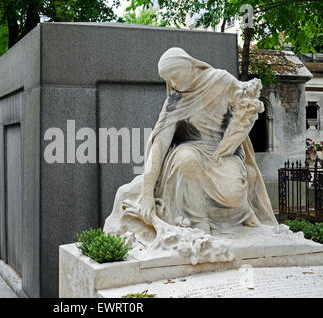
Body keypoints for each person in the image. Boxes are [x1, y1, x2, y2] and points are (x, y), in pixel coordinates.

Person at [104, 47, 278, 237]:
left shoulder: (222, 80)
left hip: (222, 152)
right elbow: (160, 144)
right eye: (168, 79)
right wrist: (147, 192)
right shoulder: (176, 99)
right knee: (186, 159)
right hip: (192, 150)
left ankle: (241, 213)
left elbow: (247, 103)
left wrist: (247, 112)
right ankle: (198, 223)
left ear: (190, 67)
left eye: (174, 76)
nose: (172, 83)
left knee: (234, 190)